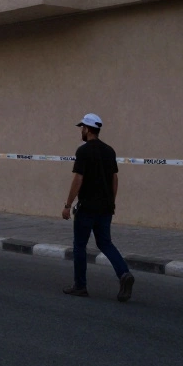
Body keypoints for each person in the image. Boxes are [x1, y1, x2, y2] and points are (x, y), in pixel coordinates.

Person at [62, 113, 134, 301]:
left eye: (82, 128)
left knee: (79, 246)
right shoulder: (109, 151)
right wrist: (112, 201)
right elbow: (114, 179)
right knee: (105, 243)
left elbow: (78, 178)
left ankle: (80, 286)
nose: (81, 131)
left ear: (87, 129)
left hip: (87, 208)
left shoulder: (83, 151)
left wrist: (67, 205)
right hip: (105, 208)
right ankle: (124, 273)